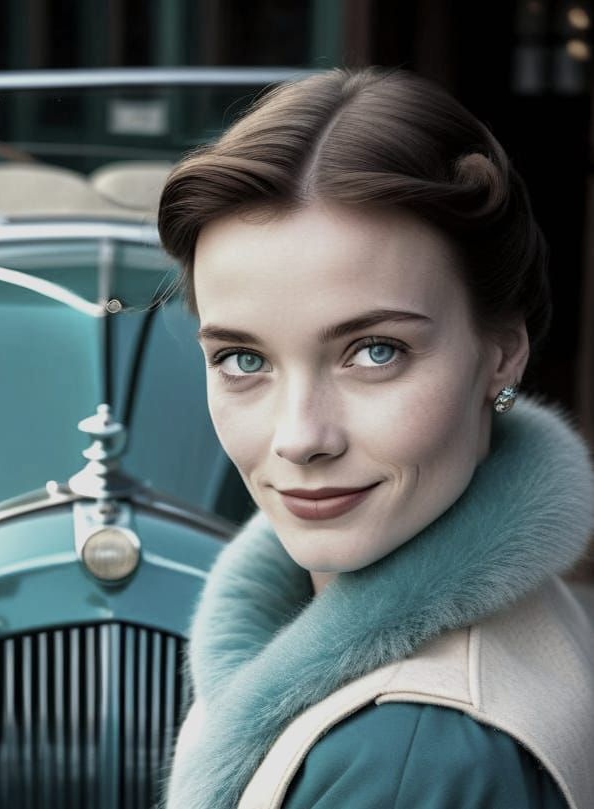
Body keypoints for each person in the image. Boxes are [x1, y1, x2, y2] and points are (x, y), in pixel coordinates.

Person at [157, 68, 594, 809]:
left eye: (375, 351)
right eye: (243, 359)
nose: (300, 438)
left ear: (502, 354)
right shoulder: (531, 620)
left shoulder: (407, 759)